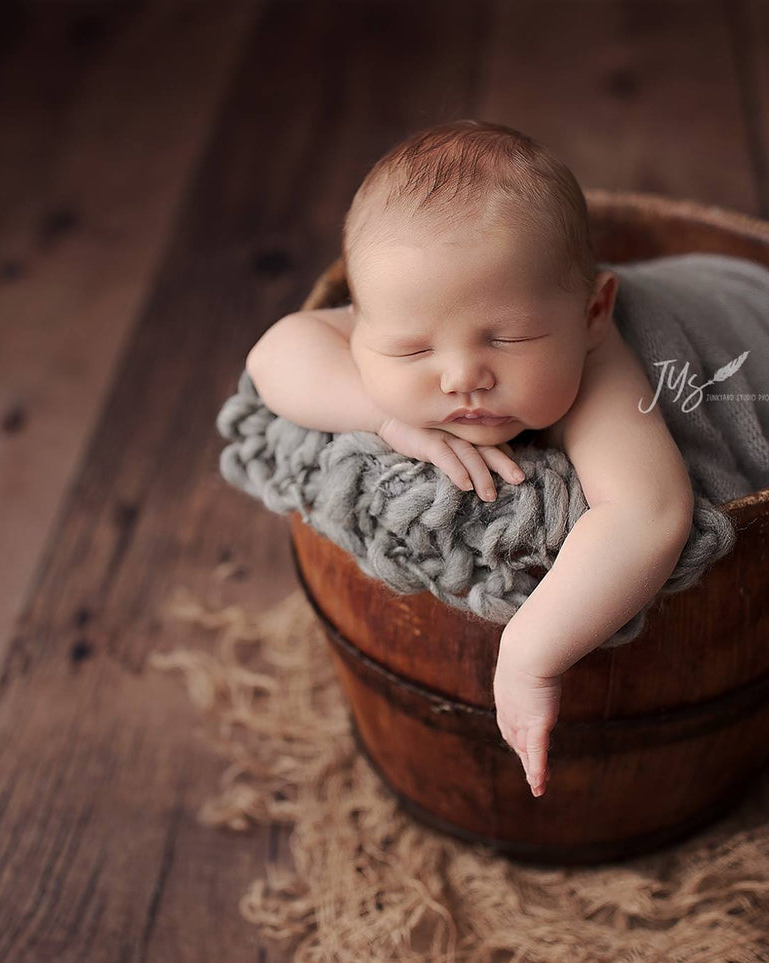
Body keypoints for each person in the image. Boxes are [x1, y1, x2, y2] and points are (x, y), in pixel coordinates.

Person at [245, 120, 693, 798]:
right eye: (410, 352)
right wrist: (387, 418)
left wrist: (529, 656)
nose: (460, 375)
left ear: (593, 312)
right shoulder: (408, 302)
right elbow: (274, 353)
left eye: (509, 338)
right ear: (360, 322)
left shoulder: (596, 364)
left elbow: (649, 511)